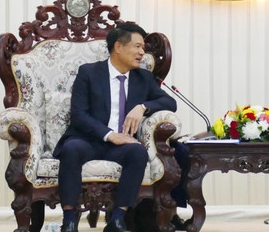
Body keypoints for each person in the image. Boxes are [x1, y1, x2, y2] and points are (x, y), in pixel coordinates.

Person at [54, 22, 178, 232]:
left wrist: (142, 107)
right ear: (118, 47)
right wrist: (109, 135)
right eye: (137, 47)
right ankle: (69, 220)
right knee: (71, 149)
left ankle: (117, 220)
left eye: (143, 48)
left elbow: (170, 103)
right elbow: (78, 115)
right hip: (88, 140)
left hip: (122, 145)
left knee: (138, 152)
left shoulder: (143, 77)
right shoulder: (89, 72)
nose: (142, 53)